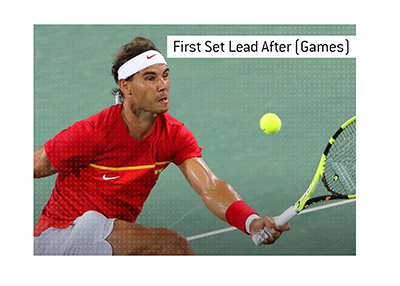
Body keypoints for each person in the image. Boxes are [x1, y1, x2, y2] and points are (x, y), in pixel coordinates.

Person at [33, 36, 290, 255]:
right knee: (172, 247)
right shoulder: (92, 133)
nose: (162, 86)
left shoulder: (174, 135)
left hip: (106, 239)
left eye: (165, 76)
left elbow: (211, 186)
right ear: (126, 86)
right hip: (59, 237)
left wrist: (251, 221)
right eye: (150, 78)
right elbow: (34, 165)